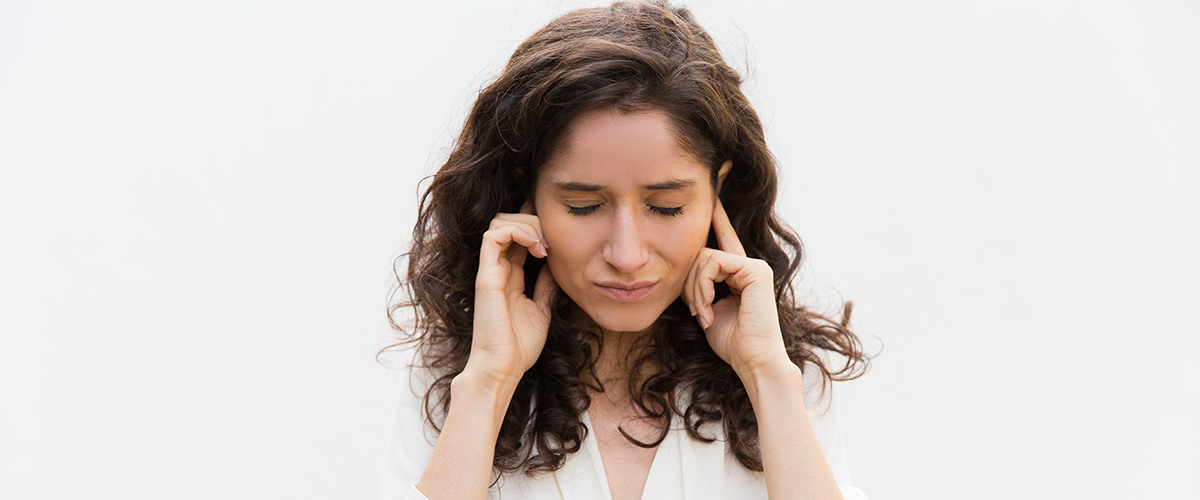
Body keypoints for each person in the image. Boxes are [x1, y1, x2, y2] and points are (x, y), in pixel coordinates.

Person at [381, 1, 870, 499]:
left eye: (666, 207)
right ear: (527, 194)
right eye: (583, 206)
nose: (627, 255)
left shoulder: (785, 366)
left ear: (716, 191)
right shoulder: (458, 371)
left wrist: (766, 376)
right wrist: (488, 383)